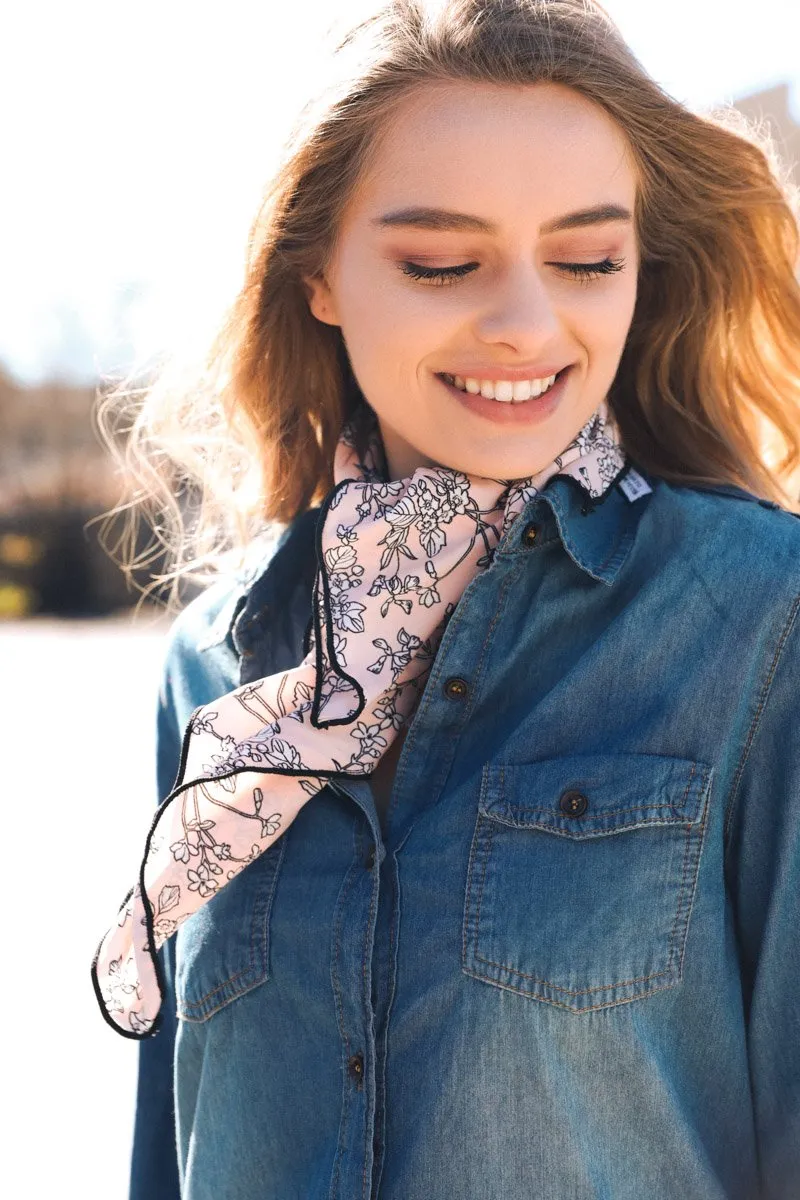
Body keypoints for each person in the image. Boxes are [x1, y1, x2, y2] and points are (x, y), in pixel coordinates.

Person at [98, 1, 800, 1196]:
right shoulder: (217, 665)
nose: (528, 324)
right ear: (316, 272)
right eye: (439, 263)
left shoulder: (759, 624)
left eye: (586, 260)